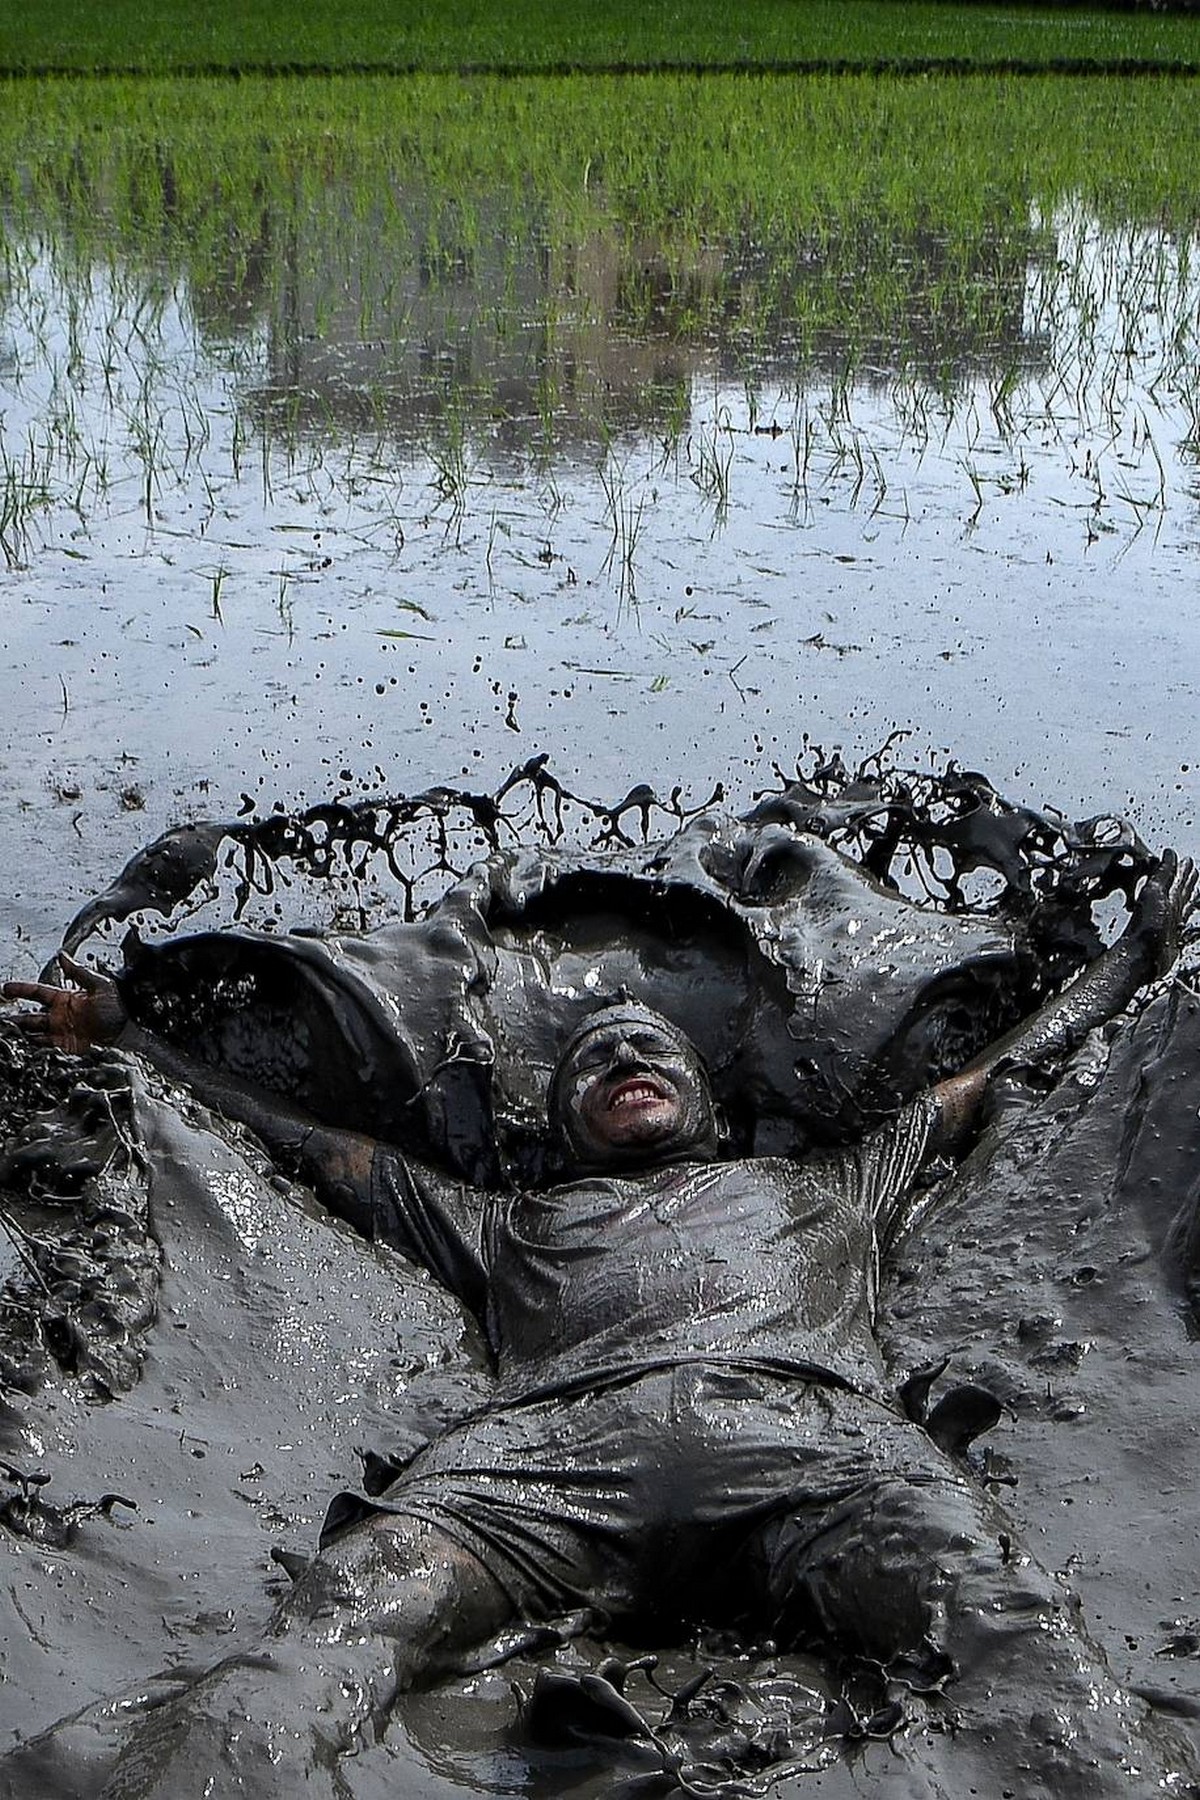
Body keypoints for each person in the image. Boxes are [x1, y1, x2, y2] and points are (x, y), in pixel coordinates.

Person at [3, 853, 1197, 1800]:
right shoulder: (496, 1220)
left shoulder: (831, 1183)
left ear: (707, 1107)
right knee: (338, 1618)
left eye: (649, 1045)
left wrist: (1138, 957)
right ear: (567, 1117)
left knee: (1000, 1614)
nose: (624, 1048)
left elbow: (987, 1081)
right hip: (542, 1460)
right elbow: (315, 1150)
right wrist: (128, 1039)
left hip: (811, 1436)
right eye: (595, 1056)